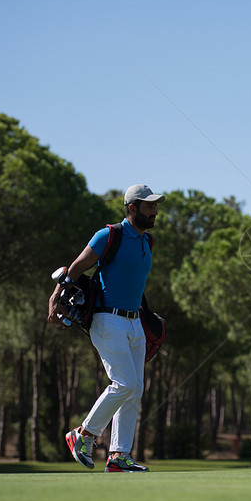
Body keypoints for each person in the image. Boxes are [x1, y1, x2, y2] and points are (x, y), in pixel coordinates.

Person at [47, 184, 165, 472]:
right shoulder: (108, 235)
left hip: (134, 321)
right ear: (131, 208)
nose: (155, 211)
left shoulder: (147, 241)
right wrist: (54, 298)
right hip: (106, 319)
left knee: (134, 389)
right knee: (123, 383)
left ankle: (118, 457)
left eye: (155, 205)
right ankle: (83, 435)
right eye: (149, 206)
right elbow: (75, 268)